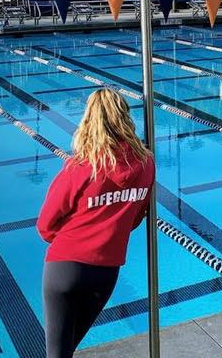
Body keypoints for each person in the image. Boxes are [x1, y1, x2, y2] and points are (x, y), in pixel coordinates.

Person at [37, 88, 155, 358]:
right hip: (106, 272)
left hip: (64, 269)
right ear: (125, 117)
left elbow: (46, 225)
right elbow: (136, 217)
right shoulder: (147, 164)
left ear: (89, 119)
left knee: (57, 353)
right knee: (67, 349)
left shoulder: (80, 166)